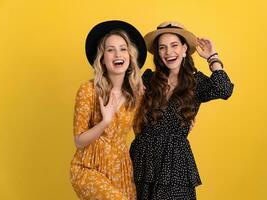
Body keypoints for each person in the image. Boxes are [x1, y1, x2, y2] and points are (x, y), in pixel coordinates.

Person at [130, 21, 234, 200]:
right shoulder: (148, 79)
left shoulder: (196, 83)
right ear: (157, 53)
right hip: (142, 160)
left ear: (185, 49)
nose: (168, 52)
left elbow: (224, 89)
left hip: (174, 162)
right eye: (162, 47)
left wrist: (213, 57)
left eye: (174, 45)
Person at [70, 20, 147, 200]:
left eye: (123, 48)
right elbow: (79, 141)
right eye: (110, 50)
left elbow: (143, 132)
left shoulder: (138, 96)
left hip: (121, 170)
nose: (117, 54)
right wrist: (105, 121)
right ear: (102, 59)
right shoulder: (88, 91)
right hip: (88, 167)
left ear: (130, 55)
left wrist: (183, 123)